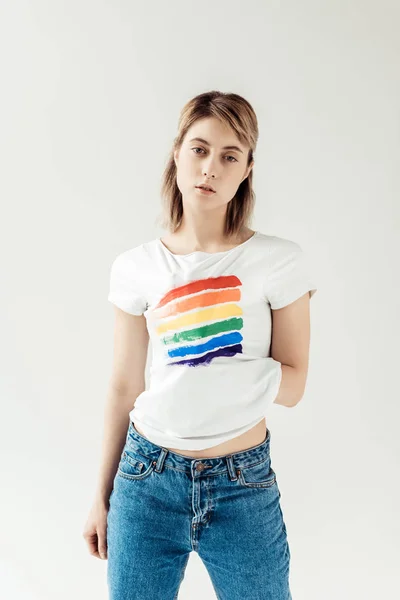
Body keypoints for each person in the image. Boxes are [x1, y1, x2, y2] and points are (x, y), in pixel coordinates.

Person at [83, 90, 317, 599]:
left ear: (247, 168)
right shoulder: (136, 267)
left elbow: (295, 383)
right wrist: (101, 495)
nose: (211, 166)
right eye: (200, 148)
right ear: (177, 153)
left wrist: (218, 369)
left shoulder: (279, 261)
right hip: (146, 479)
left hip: (242, 485)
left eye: (229, 155)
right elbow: (124, 386)